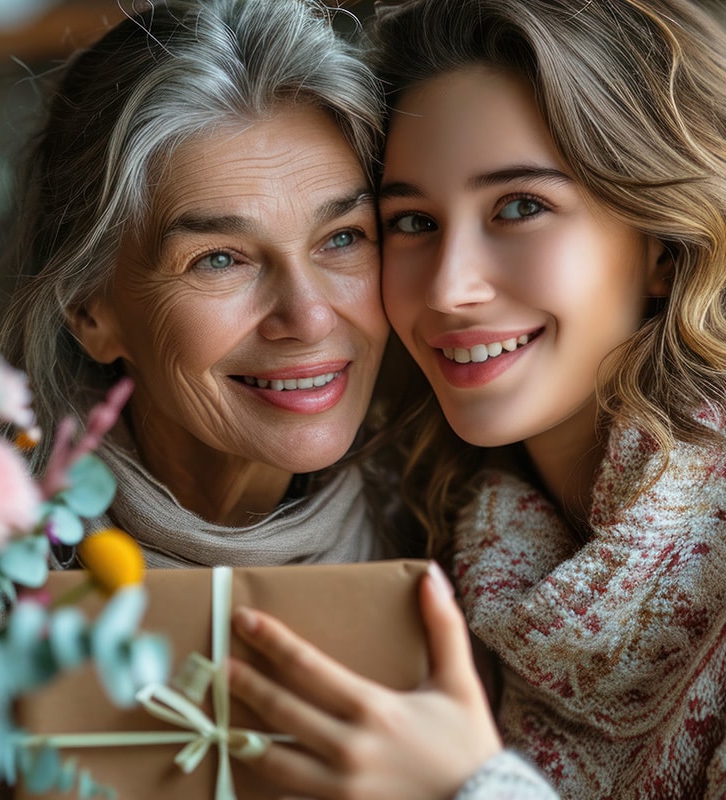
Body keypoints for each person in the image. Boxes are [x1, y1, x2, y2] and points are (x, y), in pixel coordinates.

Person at [226, 0, 726, 797]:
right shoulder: (432, 537)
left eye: (520, 207)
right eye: (414, 221)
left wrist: (470, 786)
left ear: (663, 246)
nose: (451, 289)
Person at [0, 0, 417, 571]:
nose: (310, 317)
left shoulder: (451, 539)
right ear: (90, 313)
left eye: (342, 238)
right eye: (219, 259)